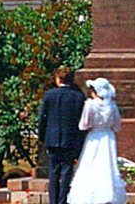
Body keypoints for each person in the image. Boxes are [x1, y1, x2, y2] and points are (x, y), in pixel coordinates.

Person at [67, 77, 127, 204]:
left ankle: (88, 196)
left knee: (90, 163)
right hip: (108, 137)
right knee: (107, 165)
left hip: (94, 136)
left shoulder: (90, 104)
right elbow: (117, 126)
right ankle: (108, 194)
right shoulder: (112, 106)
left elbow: (83, 125)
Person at [38, 67, 86, 204]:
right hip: (70, 139)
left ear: (58, 79)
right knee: (66, 173)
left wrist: (41, 136)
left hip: (52, 138)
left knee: (53, 173)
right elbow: (80, 121)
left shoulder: (49, 95)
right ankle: (62, 201)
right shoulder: (78, 96)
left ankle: (53, 201)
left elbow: (42, 118)